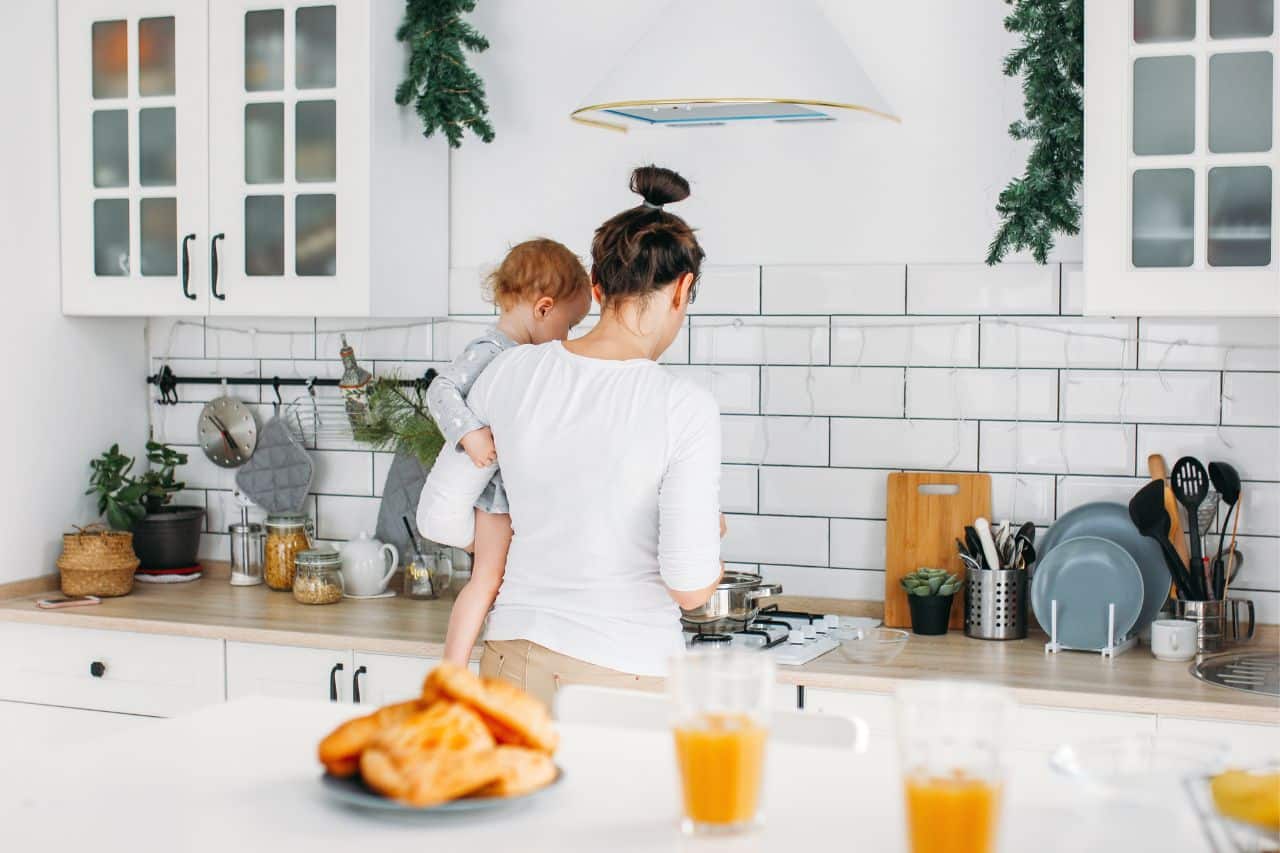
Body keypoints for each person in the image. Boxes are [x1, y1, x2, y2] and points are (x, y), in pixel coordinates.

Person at [420, 165, 724, 704]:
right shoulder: (685, 407)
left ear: (598, 288)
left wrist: (541, 533)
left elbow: (438, 515)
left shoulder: (510, 372)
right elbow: (690, 587)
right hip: (625, 673)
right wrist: (711, 538)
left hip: (512, 659)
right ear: (683, 289)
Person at [424, 239, 592, 668]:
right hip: (497, 495)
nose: (567, 337)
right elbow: (440, 390)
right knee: (487, 579)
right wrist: (470, 435)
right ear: (543, 308)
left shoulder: (527, 359)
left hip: (519, 492)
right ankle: (453, 668)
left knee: (503, 577)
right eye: (568, 325)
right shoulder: (491, 350)